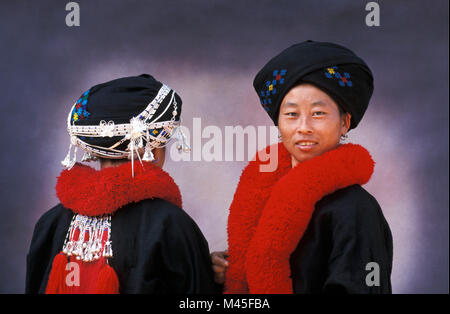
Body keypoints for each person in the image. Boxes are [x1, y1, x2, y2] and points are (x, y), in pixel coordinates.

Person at [211, 40, 393, 294]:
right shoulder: (260, 194)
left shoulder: (356, 210)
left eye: (318, 113)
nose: (304, 127)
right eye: (291, 114)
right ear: (279, 123)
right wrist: (219, 275)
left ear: (344, 123)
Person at [26, 74, 216, 294]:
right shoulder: (171, 225)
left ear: (94, 151)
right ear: (153, 150)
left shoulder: (49, 224)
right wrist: (212, 276)